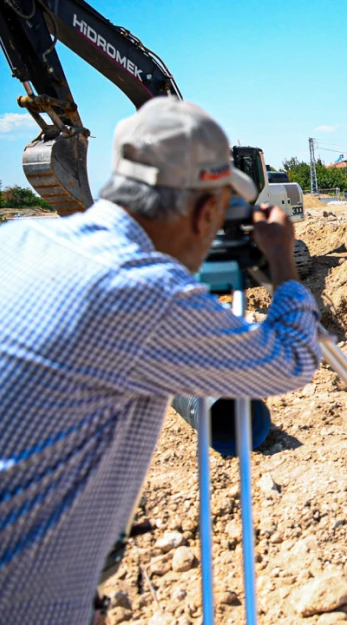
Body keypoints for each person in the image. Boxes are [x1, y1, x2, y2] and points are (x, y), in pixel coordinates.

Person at [0, 97, 321, 623]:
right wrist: (282, 259)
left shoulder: (18, 239)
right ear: (204, 213)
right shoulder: (147, 294)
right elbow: (292, 358)